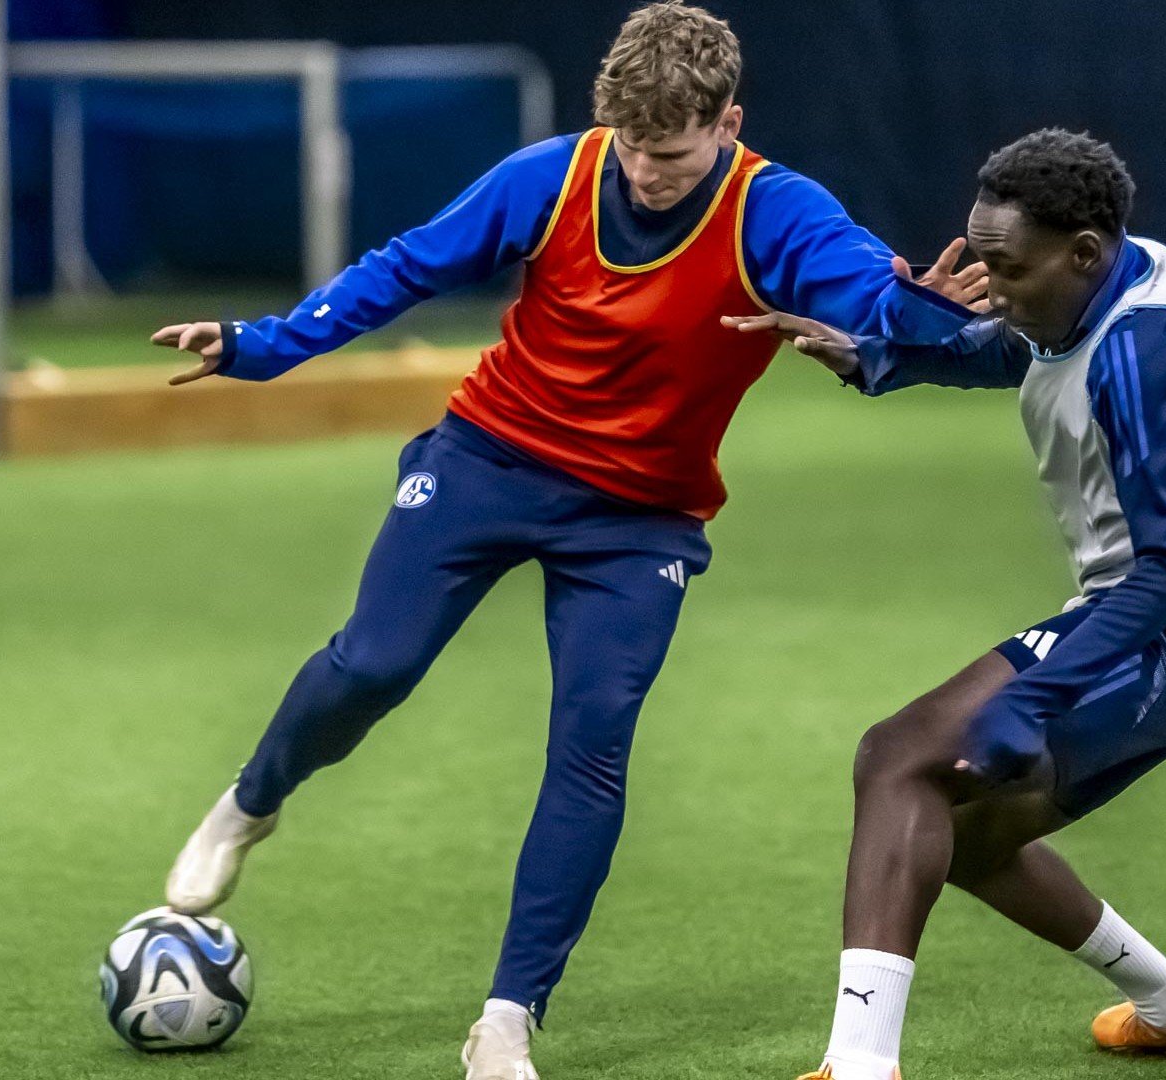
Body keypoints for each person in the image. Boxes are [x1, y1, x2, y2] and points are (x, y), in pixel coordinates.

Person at [145, 5, 982, 1078]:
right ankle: (250, 803)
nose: (647, 171)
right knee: (373, 663)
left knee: (591, 747)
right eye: (632, 145)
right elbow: (406, 268)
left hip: (640, 521)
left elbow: (871, 296)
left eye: (673, 151)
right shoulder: (552, 176)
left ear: (731, 122)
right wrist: (261, 346)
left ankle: (505, 1019)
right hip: (488, 459)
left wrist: (918, 315)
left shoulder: (777, 212)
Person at [725, 128, 1166, 1079]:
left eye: (1006, 267)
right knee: (958, 837)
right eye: (980, 255)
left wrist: (1031, 698)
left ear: (1083, 252)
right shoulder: (1103, 279)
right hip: (1160, 618)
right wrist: (882, 357)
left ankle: (861, 1067)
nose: (989, 286)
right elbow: (1019, 346)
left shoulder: (1146, 353)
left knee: (897, 758)